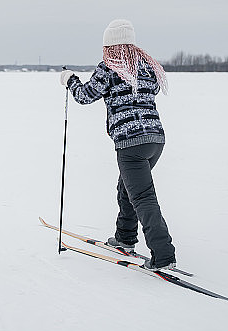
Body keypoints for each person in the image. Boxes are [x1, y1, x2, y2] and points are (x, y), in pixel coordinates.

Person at [59, 19, 176, 270]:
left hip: (131, 144)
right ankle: (124, 238)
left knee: (142, 197)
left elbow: (85, 96)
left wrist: (70, 80)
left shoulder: (109, 68)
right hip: (155, 140)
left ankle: (164, 255)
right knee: (127, 188)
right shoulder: (147, 67)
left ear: (110, 46)